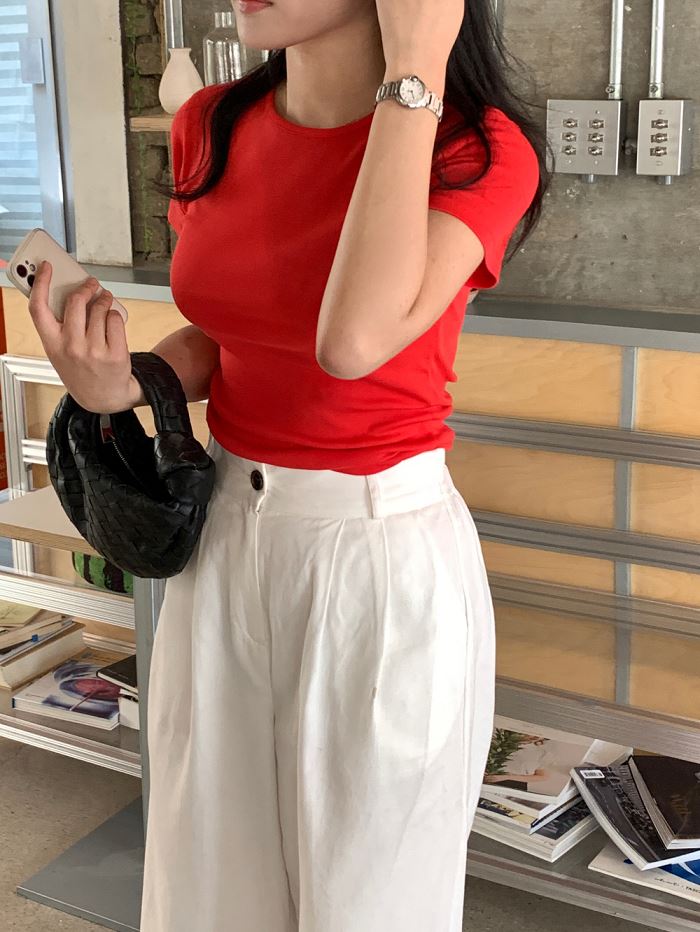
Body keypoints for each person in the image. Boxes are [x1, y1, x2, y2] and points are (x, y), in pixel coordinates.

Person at [27, 0, 547, 929]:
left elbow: (353, 340)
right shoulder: (212, 126)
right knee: (207, 885)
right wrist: (128, 382)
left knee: (368, 903)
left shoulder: (476, 146)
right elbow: (230, 332)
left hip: (375, 557)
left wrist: (415, 64)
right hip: (225, 538)